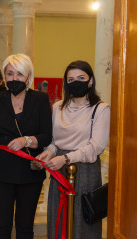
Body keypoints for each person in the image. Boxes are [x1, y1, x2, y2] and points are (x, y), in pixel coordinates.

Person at [0, 54, 52, 239]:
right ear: (4, 77)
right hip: (0, 173)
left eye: (20, 74)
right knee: (1, 227)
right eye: (10, 73)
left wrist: (26, 140)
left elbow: (46, 136)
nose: (15, 78)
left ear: (29, 77)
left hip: (30, 172)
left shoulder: (40, 99)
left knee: (25, 227)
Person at [34, 60, 110, 239]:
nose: (76, 82)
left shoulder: (100, 109)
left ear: (90, 81)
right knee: (58, 219)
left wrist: (66, 158)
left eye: (81, 78)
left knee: (82, 224)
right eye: (71, 79)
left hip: (85, 170)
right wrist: (49, 152)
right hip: (59, 169)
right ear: (66, 83)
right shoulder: (58, 107)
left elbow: (95, 147)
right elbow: (55, 142)